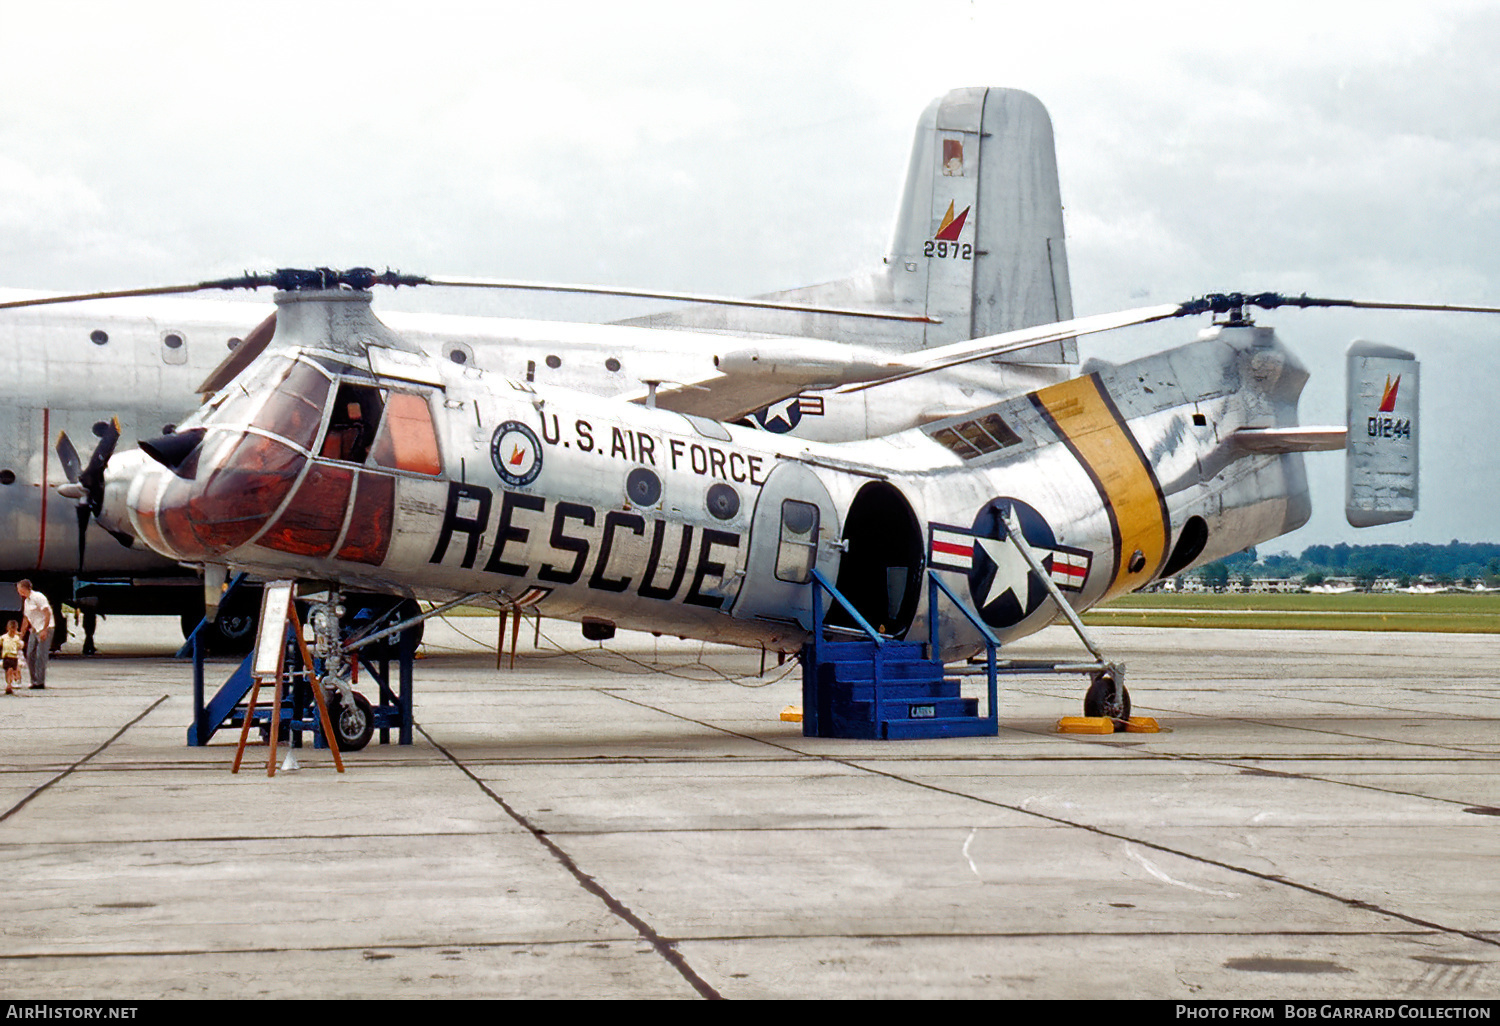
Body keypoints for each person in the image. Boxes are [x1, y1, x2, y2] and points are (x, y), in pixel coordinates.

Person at [16, 581, 53, 690]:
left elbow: (47, 612)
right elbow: (26, 618)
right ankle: (34, 680)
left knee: (41, 655)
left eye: (19, 589)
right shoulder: (26, 601)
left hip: (45, 627)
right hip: (35, 628)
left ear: (24, 588)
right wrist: (21, 635)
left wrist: (45, 630)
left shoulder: (38, 597)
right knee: (30, 654)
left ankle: (40, 682)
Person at [1, 621, 20, 694]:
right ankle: (9, 683)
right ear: (7, 628)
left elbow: (20, 646)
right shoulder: (4, 637)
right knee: (8, 671)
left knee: (11, 670)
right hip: (6, 657)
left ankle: (10, 684)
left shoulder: (16, 638)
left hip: (14, 657)